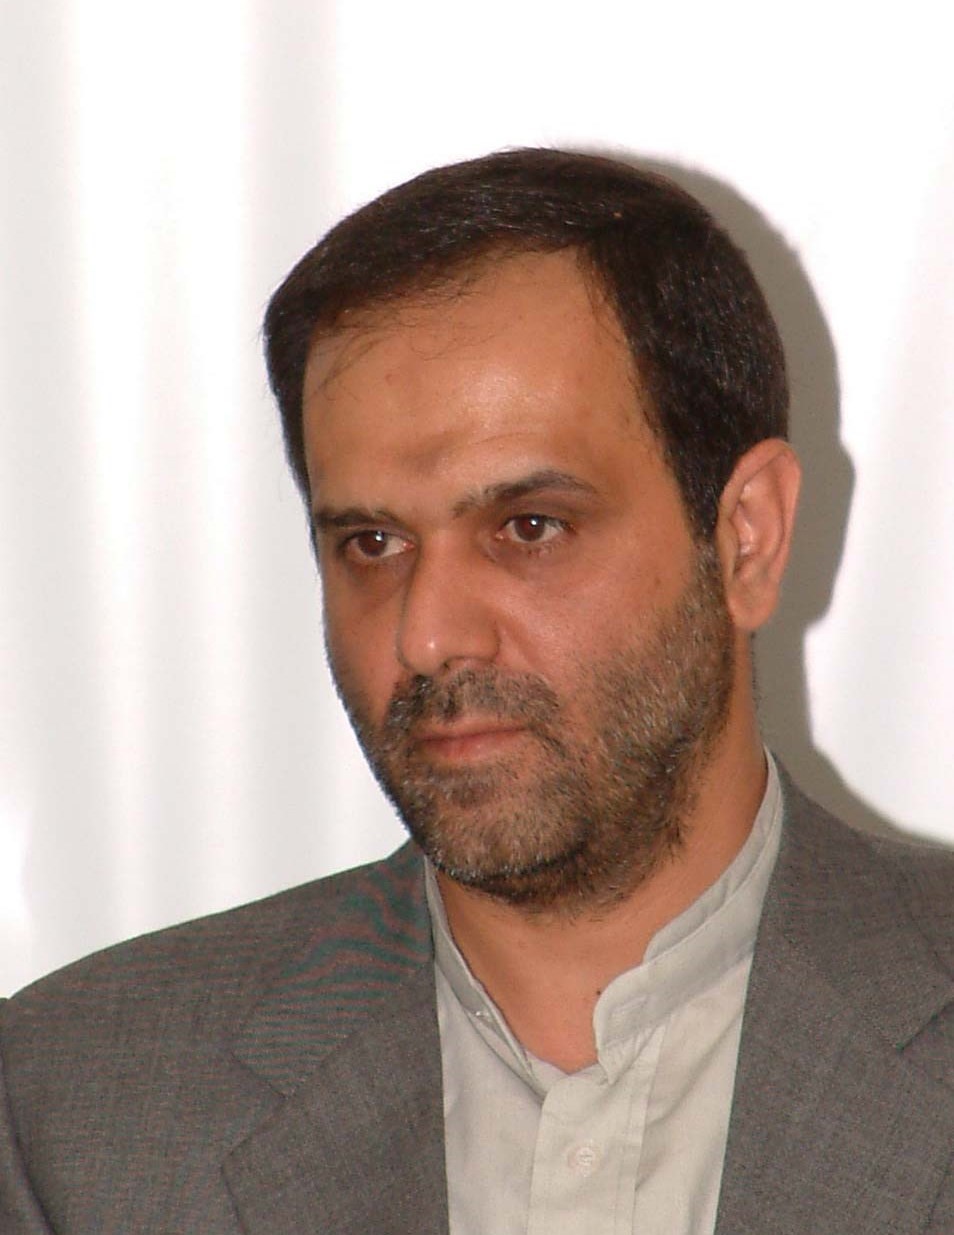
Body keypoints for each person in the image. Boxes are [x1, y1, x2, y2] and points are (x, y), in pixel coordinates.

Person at [2, 149, 953, 1235]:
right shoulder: (77, 1113)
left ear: (746, 538)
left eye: (529, 527)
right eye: (372, 543)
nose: (427, 633)